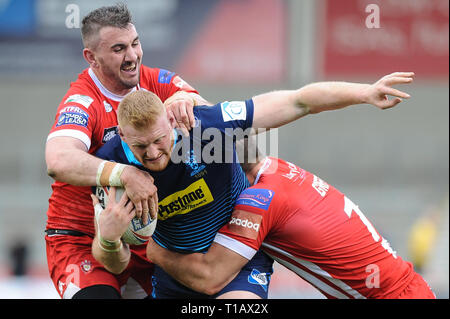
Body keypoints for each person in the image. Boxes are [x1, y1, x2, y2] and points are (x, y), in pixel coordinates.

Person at [91, 72, 416, 298]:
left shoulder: (208, 125)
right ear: (121, 136)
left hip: (239, 260)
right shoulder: (109, 166)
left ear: (170, 120)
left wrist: (364, 92)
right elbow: (114, 260)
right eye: (140, 147)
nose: (153, 153)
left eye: (159, 140)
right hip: (176, 274)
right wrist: (108, 238)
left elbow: (298, 101)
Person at [44, 4, 210, 299]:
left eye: (135, 43)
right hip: (81, 240)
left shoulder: (157, 82)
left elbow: (212, 122)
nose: (132, 56)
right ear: (91, 58)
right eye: (119, 49)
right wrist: (124, 174)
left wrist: (188, 99)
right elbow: (58, 159)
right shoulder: (83, 101)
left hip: (149, 242)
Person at [145, 136, 436, 299]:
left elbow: (210, 278)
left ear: (229, 169)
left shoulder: (259, 198)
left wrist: (156, 250)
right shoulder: (279, 169)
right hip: (408, 289)